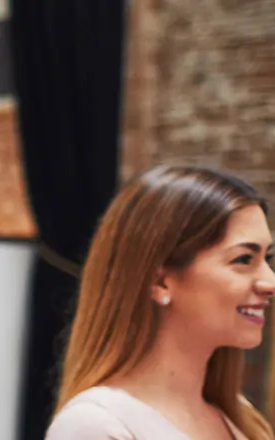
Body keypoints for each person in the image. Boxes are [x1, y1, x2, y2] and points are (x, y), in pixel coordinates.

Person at [48, 166, 275, 440]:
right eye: (243, 260)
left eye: (267, 259)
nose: (270, 283)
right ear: (160, 282)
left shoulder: (241, 417)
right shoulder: (95, 425)